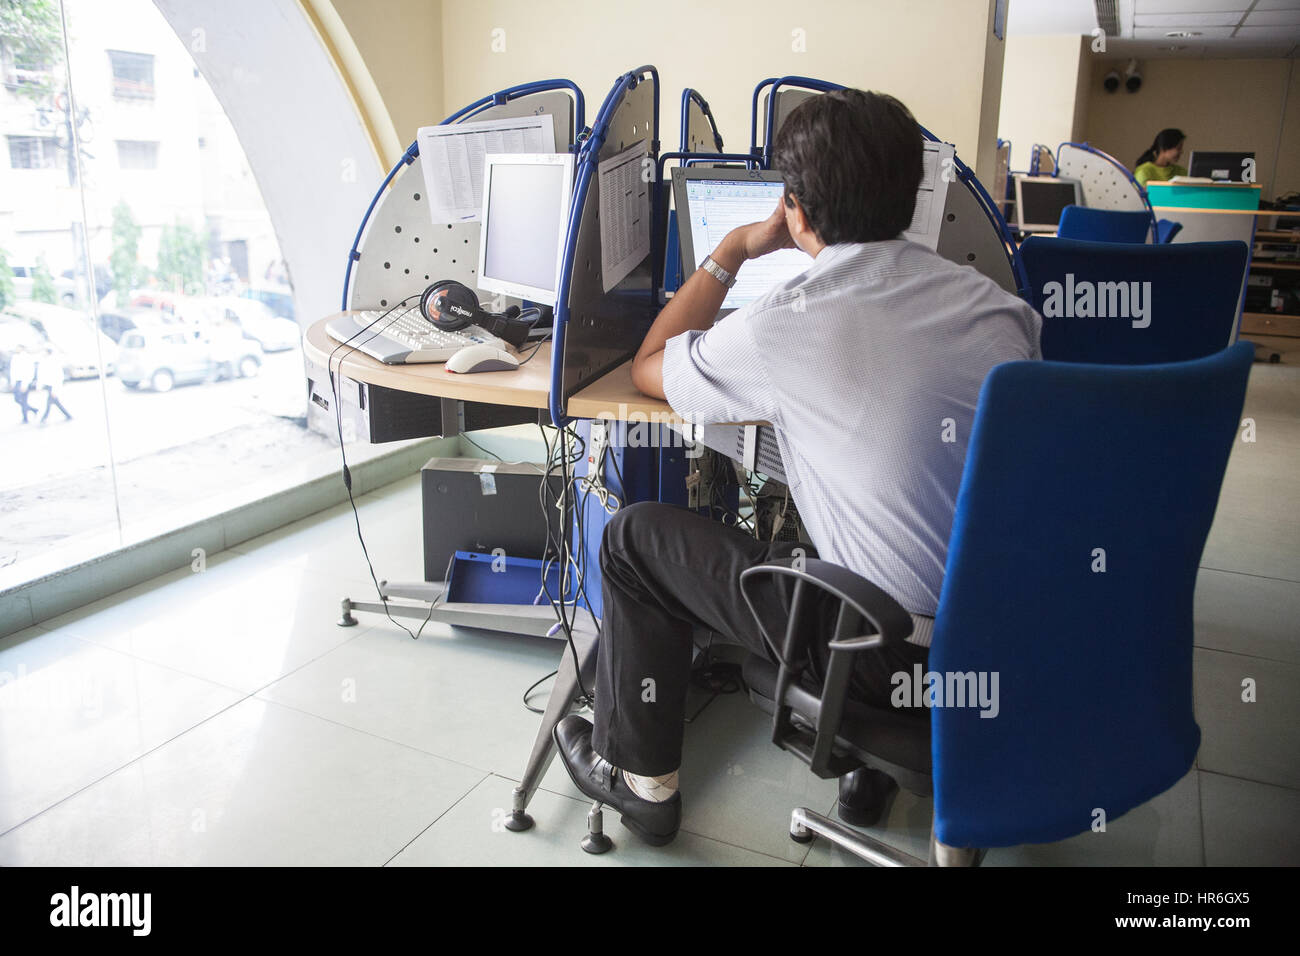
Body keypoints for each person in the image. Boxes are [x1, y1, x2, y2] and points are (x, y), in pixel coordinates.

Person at [552, 89, 1043, 846]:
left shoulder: (788, 322)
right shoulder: (1000, 309)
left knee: (633, 539)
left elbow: (650, 364)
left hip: (887, 655)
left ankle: (641, 783)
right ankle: (867, 773)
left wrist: (736, 250)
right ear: (914, 193)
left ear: (796, 211)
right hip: (1018, 634)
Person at [36, 348, 71, 424]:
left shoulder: (53, 362)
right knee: (55, 402)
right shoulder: (44, 361)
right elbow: (42, 375)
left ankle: (44, 417)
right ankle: (68, 415)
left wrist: (55, 389)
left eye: (44, 351)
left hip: (53, 385)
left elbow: (57, 376)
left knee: (50, 402)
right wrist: (39, 385)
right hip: (49, 385)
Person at [9, 345, 38, 424]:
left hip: (24, 381)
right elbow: (13, 371)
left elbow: (29, 371)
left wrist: (25, 384)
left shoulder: (27, 357)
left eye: (18, 348)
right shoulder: (14, 357)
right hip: (17, 381)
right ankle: (33, 410)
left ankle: (25, 418)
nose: (16, 349)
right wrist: (12, 383)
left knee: (24, 400)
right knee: (17, 399)